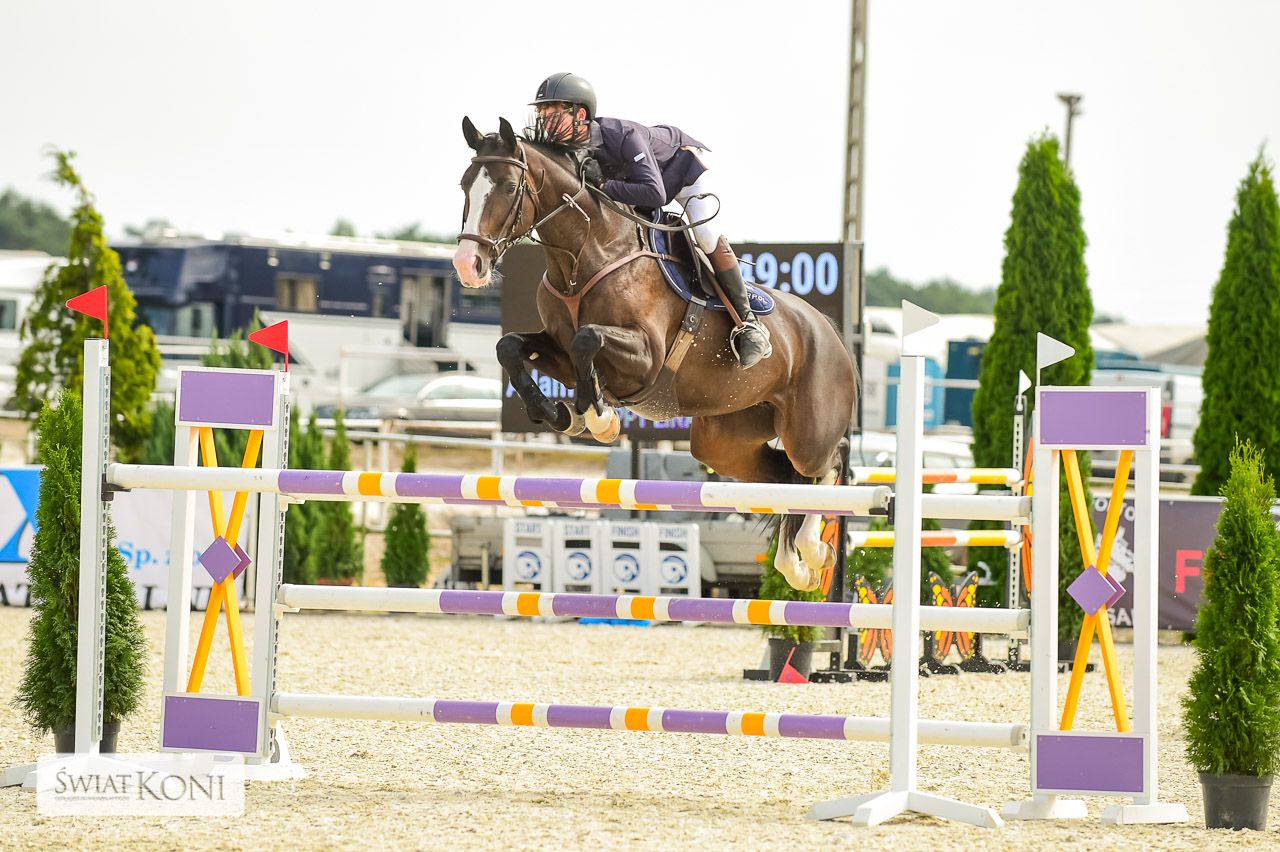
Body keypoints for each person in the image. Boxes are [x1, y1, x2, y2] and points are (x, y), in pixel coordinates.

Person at [530, 72, 772, 369]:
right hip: (641, 187)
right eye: (541, 113)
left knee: (706, 235)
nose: (544, 121)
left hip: (685, 173)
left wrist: (603, 184)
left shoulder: (624, 135)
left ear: (580, 115)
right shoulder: (568, 151)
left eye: (552, 113)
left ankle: (748, 323)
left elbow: (655, 194)